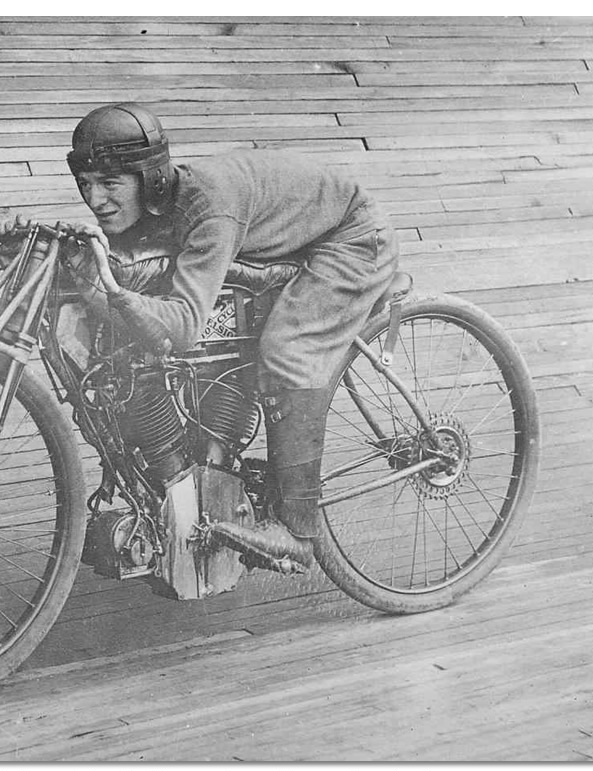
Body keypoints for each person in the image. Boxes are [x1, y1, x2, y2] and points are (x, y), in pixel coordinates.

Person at [62, 102, 400, 555]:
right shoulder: (158, 203)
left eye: (109, 183)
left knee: (285, 352)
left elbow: (180, 326)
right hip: (285, 232)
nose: (95, 199)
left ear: (150, 177)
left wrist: (110, 294)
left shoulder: (209, 210)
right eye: (85, 184)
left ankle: (297, 532)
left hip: (349, 237)